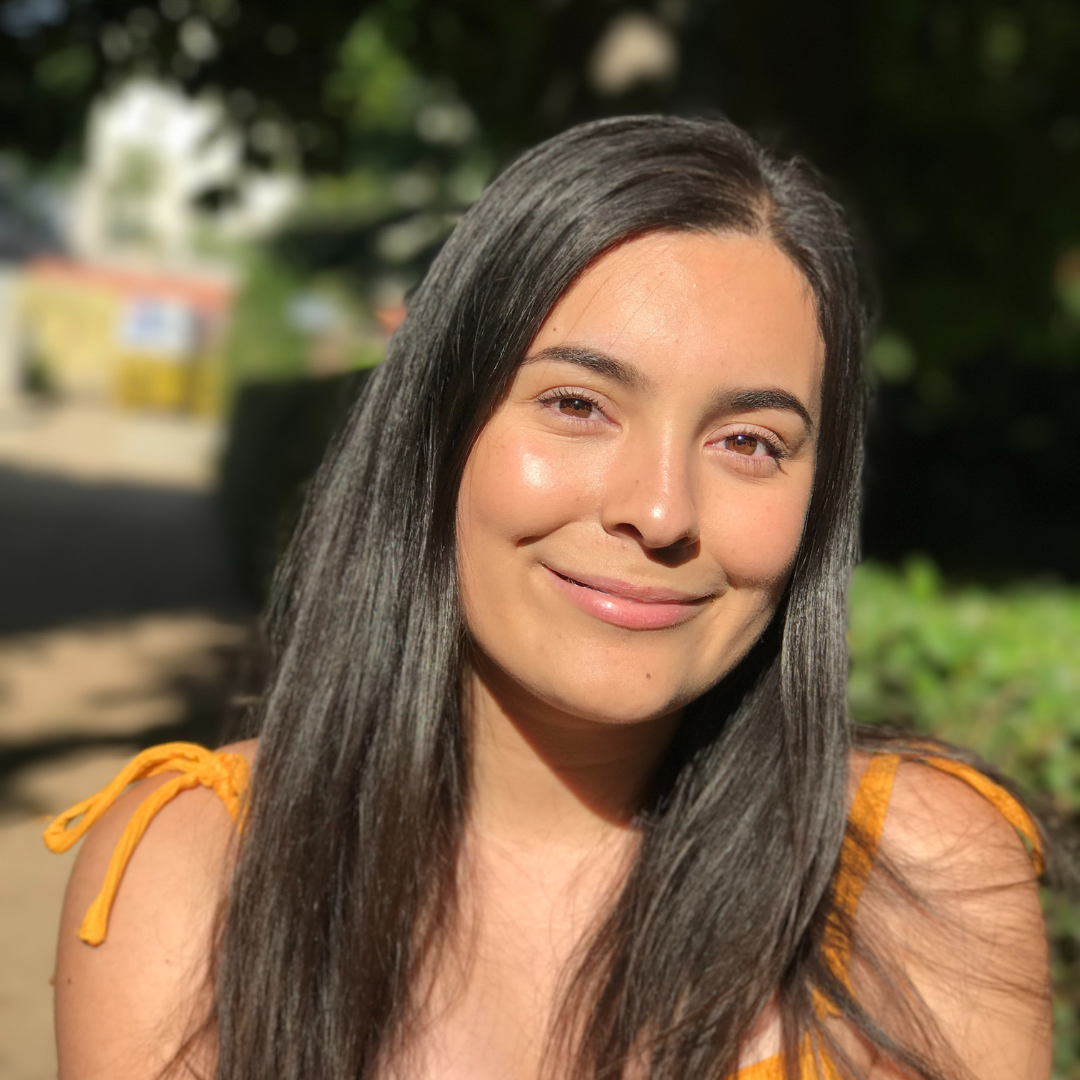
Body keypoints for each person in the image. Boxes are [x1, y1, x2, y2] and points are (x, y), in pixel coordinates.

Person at [45, 115, 1050, 1080]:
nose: (660, 511)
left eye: (749, 442)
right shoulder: (194, 867)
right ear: (437, 436)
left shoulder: (913, 876)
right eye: (577, 405)